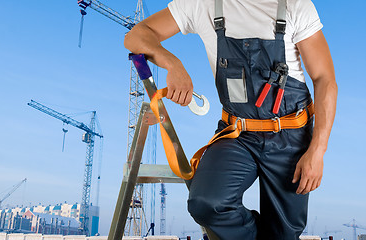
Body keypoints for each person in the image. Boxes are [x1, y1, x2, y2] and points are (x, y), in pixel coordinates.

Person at [124, 0, 337, 239]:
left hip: (290, 136)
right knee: (206, 203)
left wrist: (317, 151)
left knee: (283, 233)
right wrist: (173, 64)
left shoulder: (294, 5)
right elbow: (136, 36)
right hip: (237, 134)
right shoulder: (202, 4)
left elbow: (324, 79)